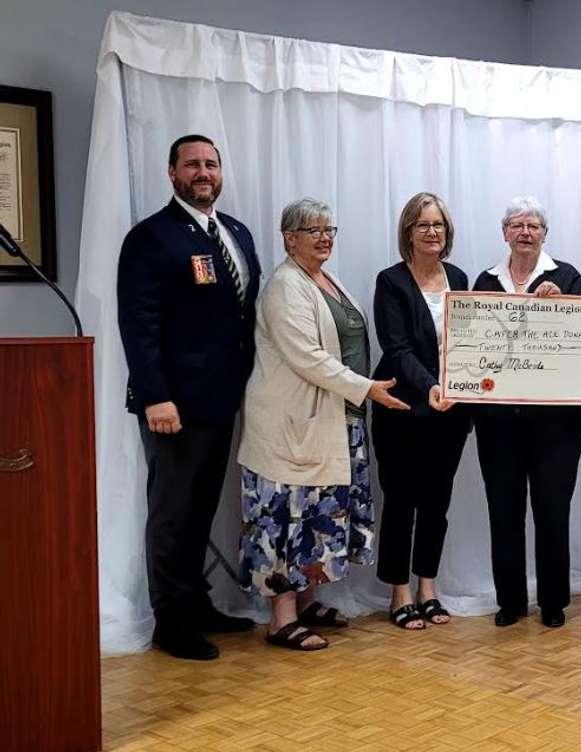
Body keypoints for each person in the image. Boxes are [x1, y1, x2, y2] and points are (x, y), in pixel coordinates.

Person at [236, 198, 409, 650]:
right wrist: (366, 387)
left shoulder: (324, 279)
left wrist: (360, 392)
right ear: (289, 238)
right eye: (313, 230)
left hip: (337, 417)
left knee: (319, 516)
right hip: (291, 423)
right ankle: (281, 619)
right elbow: (307, 358)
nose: (324, 237)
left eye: (329, 228)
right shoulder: (284, 286)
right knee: (286, 517)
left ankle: (308, 602)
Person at [117, 134, 261, 660]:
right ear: (172, 172)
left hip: (221, 400)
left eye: (211, 164)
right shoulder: (151, 238)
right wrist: (155, 396)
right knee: (172, 512)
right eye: (192, 164)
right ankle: (170, 621)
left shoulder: (237, 233)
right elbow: (138, 325)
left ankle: (197, 603)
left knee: (202, 507)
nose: (203, 172)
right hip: (172, 406)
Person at [472, 196, 581, 628]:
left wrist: (564, 308)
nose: (525, 232)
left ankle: (554, 602)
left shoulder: (569, 278)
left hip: (556, 425)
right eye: (517, 225)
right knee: (504, 512)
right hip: (498, 423)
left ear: (545, 234)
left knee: (552, 511)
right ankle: (511, 601)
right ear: (504, 233)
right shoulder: (485, 281)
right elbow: (472, 344)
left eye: (533, 226)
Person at [372, 192, 471, 630]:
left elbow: (472, 342)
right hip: (403, 408)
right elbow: (396, 348)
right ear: (408, 233)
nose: (432, 232)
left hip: (450, 411)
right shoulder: (390, 281)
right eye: (422, 225)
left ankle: (428, 586)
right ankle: (400, 591)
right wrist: (431, 385)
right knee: (401, 500)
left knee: (437, 502)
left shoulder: (461, 277)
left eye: (438, 225)